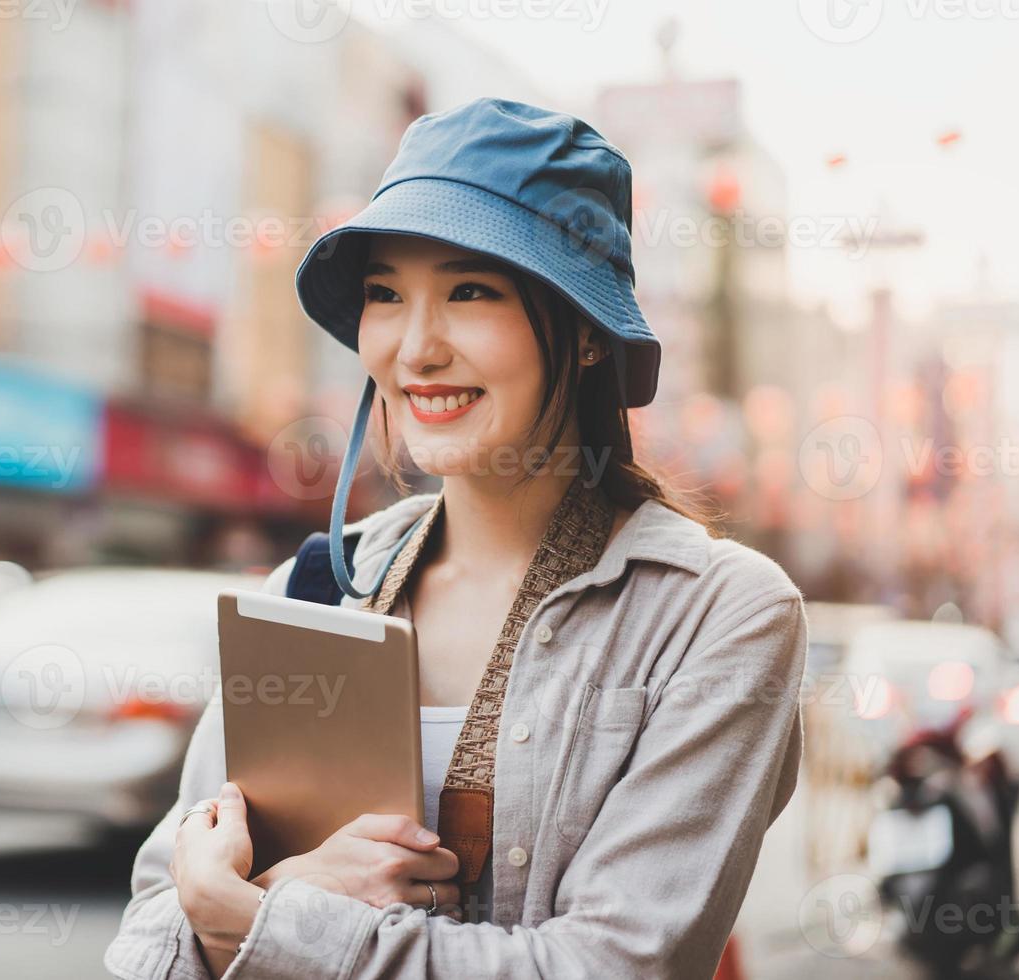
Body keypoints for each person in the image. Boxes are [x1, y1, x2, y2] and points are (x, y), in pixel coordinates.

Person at [105, 99, 807, 979]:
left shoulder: (717, 616)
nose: (416, 348)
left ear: (587, 333)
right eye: (385, 294)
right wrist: (284, 889)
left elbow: (614, 965)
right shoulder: (315, 586)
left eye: (470, 291)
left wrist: (261, 917)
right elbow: (147, 935)